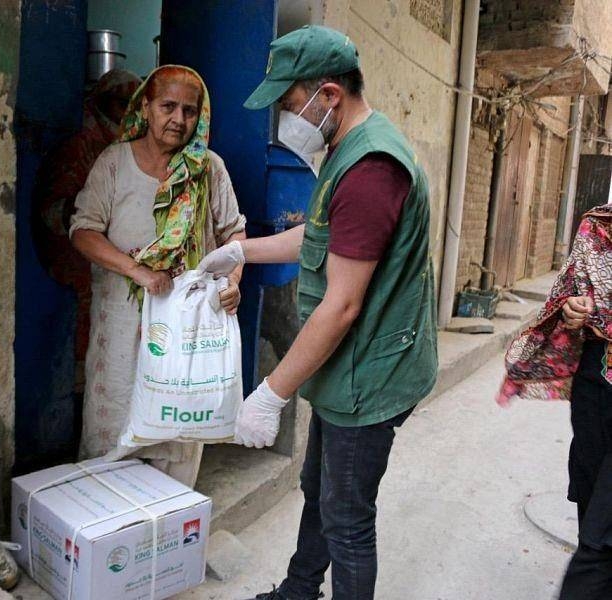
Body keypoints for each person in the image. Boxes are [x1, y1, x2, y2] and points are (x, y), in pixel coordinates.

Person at [198, 26, 437, 600]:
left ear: (328, 95)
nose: (286, 120)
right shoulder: (347, 149)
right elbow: (325, 236)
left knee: (348, 517)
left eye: (288, 104)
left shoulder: (372, 169)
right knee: (319, 487)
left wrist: (271, 393)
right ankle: (300, 591)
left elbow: (343, 303)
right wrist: (243, 250)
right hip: (347, 365)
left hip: (369, 373)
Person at [69, 65, 247, 486]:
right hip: (123, 323)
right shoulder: (114, 163)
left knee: (177, 434)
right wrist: (138, 271)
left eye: (189, 110)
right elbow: (83, 230)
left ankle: (165, 539)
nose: (178, 119)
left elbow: (233, 232)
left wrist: (233, 282)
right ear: (145, 108)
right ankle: (106, 534)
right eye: (168, 106)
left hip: (186, 327)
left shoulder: (208, 169)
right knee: (114, 425)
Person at [499, 205, 612, 599]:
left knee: (601, 537)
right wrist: (574, 310)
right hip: (596, 386)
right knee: (589, 493)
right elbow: (566, 299)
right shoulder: (597, 229)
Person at [32, 69, 141, 401]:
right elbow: (53, 210)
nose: (127, 113)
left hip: (115, 260)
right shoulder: (81, 146)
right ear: (102, 102)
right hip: (76, 258)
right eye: (122, 104)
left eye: (135, 105)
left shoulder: (129, 146)